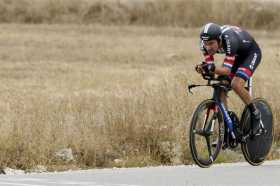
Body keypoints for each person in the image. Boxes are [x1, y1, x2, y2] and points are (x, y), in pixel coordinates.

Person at [195, 23, 263, 136]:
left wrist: (211, 68)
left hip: (250, 53)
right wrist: (204, 69)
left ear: (219, 39)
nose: (208, 47)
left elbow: (226, 70)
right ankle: (228, 124)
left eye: (211, 43)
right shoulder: (203, 45)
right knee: (221, 86)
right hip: (236, 55)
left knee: (236, 84)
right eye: (206, 44)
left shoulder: (229, 40)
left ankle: (255, 113)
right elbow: (211, 68)